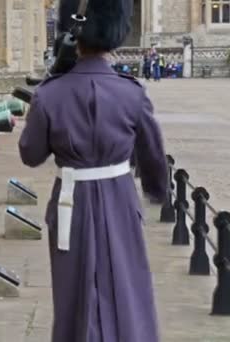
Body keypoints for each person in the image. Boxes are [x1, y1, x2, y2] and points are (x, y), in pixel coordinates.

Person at [18, 0, 168, 341]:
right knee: (126, 287)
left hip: (72, 202)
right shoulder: (131, 93)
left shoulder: (50, 94)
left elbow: (31, 154)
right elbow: (153, 154)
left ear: (73, 36)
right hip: (120, 199)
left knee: (73, 292)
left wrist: (50, 89)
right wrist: (158, 191)